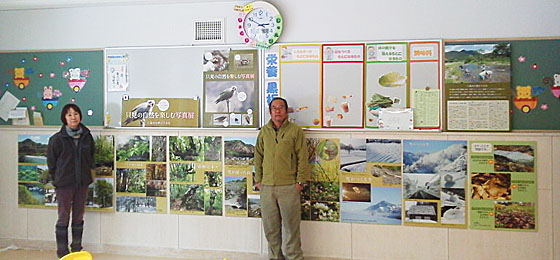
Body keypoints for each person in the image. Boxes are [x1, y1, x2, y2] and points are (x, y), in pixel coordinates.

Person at [254, 97, 311, 260]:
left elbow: (303, 156)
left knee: (291, 226)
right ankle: (275, 256)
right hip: (267, 187)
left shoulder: (295, 131)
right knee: (270, 227)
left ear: (286, 111)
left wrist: (300, 182)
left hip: (289, 186)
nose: (277, 111)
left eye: (280, 108)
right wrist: (259, 180)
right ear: (270, 111)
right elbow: (258, 157)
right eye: (274, 108)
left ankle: (294, 256)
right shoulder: (264, 131)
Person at [47, 104, 95, 258]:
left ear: (80, 116)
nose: (73, 117)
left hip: (82, 183)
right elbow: (51, 163)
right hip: (64, 185)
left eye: (75, 114)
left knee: (78, 216)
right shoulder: (56, 139)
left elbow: (91, 157)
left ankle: (76, 249)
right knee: (63, 217)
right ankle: (62, 253)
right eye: (69, 115)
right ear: (64, 118)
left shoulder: (87, 136)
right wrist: (58, 179)